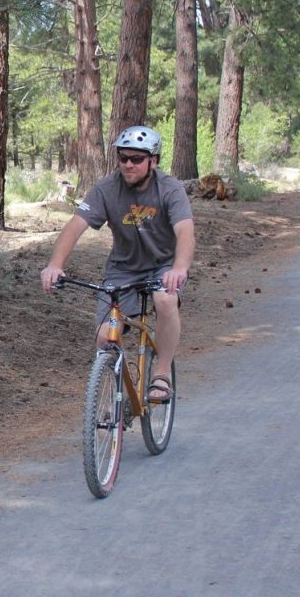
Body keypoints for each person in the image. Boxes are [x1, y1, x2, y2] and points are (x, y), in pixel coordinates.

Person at [40, 125, 195, 401]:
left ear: (153, 161)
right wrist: (55, 264)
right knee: (104, 337)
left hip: (163, 265)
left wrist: (179, 268)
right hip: (122, 269)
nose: (128, 164)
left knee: (165, 300)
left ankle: (161, 374)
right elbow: (75, 226)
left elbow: (185, 232)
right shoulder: (107, 189)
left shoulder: (170, 189)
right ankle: (116, 399)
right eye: (123, 158)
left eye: (136, 159)